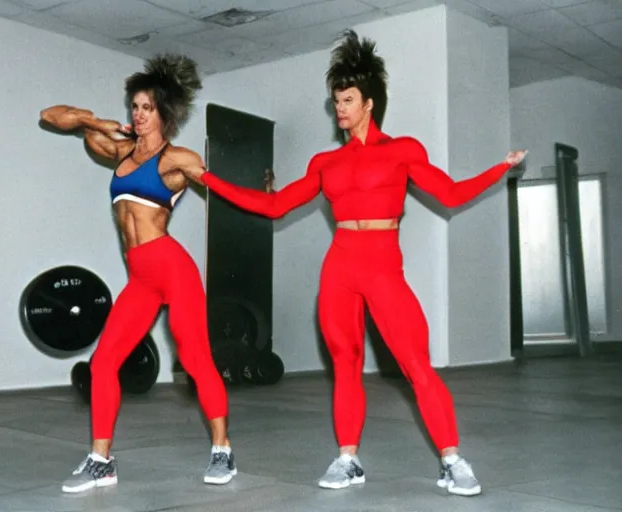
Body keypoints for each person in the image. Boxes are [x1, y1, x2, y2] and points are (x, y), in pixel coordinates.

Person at [185, 31, 527, 497]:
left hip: (383, 266)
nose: (339, 108)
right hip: (340, 268)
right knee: (345, 365)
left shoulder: (402, 151)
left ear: (369, 103)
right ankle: (348, 459)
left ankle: (452, 460)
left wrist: (498, 169)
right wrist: (207, 178)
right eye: (335, 100)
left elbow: (448, 193)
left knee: (416, 365)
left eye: (347, 99)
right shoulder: (326, 162)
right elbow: (274, 205)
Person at [39, 53, 236, 493]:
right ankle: (101, 461)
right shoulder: (118, 150)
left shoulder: (175, 159)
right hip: (141, 278)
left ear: (164, 112)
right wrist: (97, 120)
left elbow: (216, 184)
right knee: (104, 361)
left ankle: (223, 450)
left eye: (147, 107)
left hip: (172, 267)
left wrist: (260, 196)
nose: (138, 114)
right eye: (135, 106)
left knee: (196, 359)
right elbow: (50, 116)